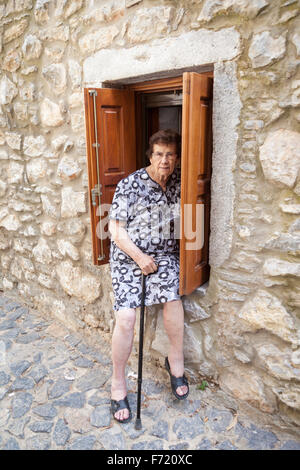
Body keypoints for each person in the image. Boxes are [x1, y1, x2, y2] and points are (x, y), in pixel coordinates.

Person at [108, 129, 189, 423]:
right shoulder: (129, 185)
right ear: (150, 156)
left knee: (173, 299)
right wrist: (140, 257)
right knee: (127, 318)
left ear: (177, 157)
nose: (164, 160)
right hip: (130, 258)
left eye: (170, 155)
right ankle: (118, 383)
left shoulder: (181, 182)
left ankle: (175, 362)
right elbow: (116, 231)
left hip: (163, 257)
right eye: (159, 154)